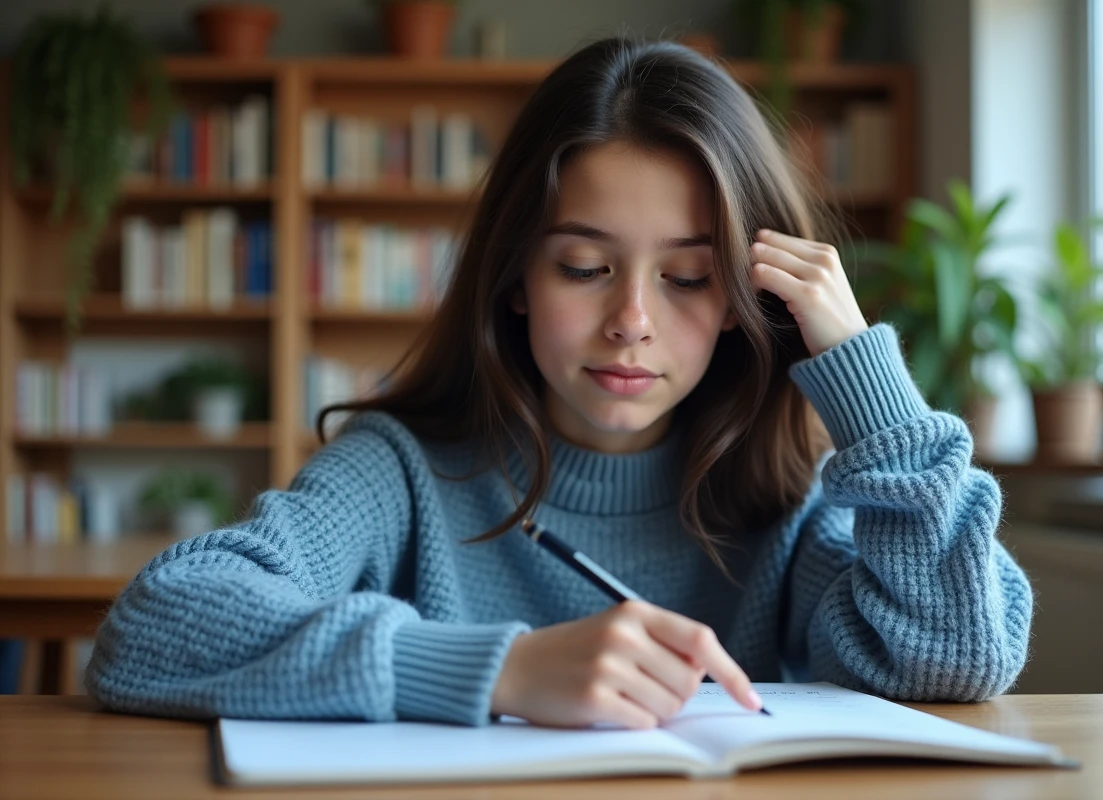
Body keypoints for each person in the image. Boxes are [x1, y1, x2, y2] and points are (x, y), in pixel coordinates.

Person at [85, 37, 1032, 730]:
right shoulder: (401, 472)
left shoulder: (785, 495)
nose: (632, 320)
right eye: (583, 267)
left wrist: (868, 384)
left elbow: (958, 658)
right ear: (515, 279)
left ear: (748, 300)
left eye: (689, 277)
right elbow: (155, 627)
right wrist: (500, 670)